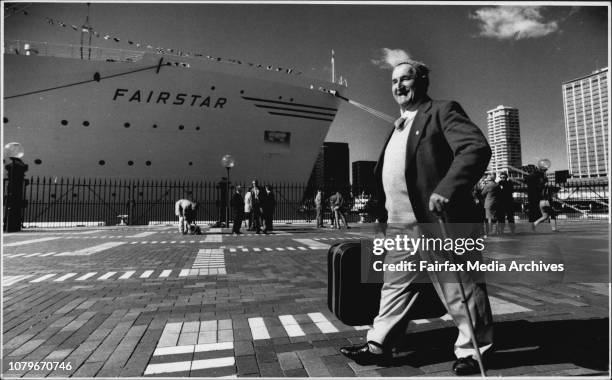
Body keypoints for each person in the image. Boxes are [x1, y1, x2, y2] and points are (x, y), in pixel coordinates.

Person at [339, 54, 494, 376]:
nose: (399, 86)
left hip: (440, 221)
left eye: (405, 79)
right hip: (400, 225)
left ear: (422, 81)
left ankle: (473, 351)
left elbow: (475, 148)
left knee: (460, 288)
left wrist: (447, 188)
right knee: (395, 287)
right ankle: (378, 345)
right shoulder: (398, 126)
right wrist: (381, 217)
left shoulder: (441, 111)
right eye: (394, 81)